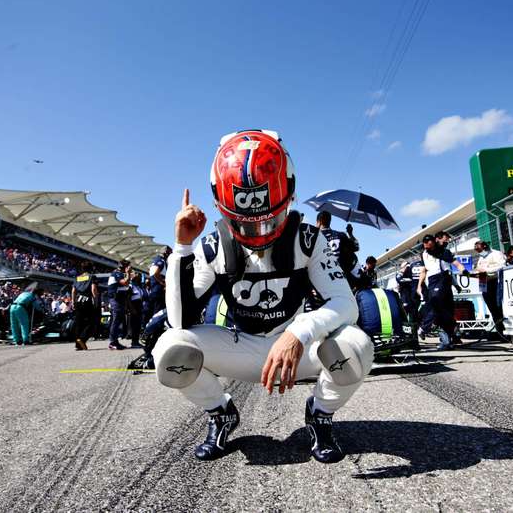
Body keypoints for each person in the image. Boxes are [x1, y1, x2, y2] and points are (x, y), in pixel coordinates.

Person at [153, 129, 372, 464]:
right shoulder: (212, 246)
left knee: (356, 347)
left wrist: (299, 332)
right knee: (170, 351)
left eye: (269, 221)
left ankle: (321, 413)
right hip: (242, 347)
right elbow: (178, 322)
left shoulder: (309, 239)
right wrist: (182, 247)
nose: (259, 233)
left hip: (297, 350)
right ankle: (220, 412)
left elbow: (346, 305)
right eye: (246, 225)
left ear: (290, 197)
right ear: (220, 207)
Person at [416, 234, 469, 350]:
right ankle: (445, 334)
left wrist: (463, 271)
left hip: (443, 279)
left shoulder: (443, 252)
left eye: (429, 246)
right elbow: (424, 271)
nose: (427, 249)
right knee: (438, 307)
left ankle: (449, 336)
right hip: (433, 281)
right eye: (425, 247)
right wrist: (419, 285)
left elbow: (454, 264)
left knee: (445, 308)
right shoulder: (424, 254)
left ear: (434, 243)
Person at [473, 241, 507, 336]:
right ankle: (499, 329)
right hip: (484, 282)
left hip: (495, 281)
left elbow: (502, 266)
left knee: (498, 306)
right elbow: (479, 268)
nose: (479, 252)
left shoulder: (496, 254)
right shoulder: (481, 257)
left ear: (485, 247)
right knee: (491, 307)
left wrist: (487, 270)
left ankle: (503, 328)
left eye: (480, 250)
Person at [315, 211, 359, 281]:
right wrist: (350, 234)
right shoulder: (341, 235)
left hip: (321, 278)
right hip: (341, 277)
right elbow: (356, 247)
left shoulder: (315, 237)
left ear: (319, 222)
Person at [71, 261, 99, 351]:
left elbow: (73, 291)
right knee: (92, 323)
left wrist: (73, 301)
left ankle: (77, 345)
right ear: (91, 268)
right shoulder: (92, 277)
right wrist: (96, 301)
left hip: (78, 301)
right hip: (87, 301)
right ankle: (82, 339)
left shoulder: (77, 278)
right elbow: (93, 289)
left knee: (79, 323)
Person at [107, 259, 131, 350]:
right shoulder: (117, 273)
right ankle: (112, 342)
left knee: (118, 320)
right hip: (115, 299)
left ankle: (115, 341)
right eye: (128, 266)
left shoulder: (120, 273)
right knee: (116, 320)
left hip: (118, 299)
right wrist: (128, 273)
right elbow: (125, 282)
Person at [147, 247, 171, 317]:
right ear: (166, 253)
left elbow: (151, 273)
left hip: (155, 290)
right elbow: (155, 273)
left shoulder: (155, 261)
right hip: (158, 290)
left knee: (155, 311)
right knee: (158, 312)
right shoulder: (161, 261)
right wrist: (163, 283)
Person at [128, 271, 146, 348]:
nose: (137, 275)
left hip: (139, 305)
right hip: (134, 305)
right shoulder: (130, 285)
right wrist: (131, 308)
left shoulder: (138, 286)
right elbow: (128, 298)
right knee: (134, 325)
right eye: (135, 273)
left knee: (138, 325)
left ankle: (136, 341)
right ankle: (134, 342)